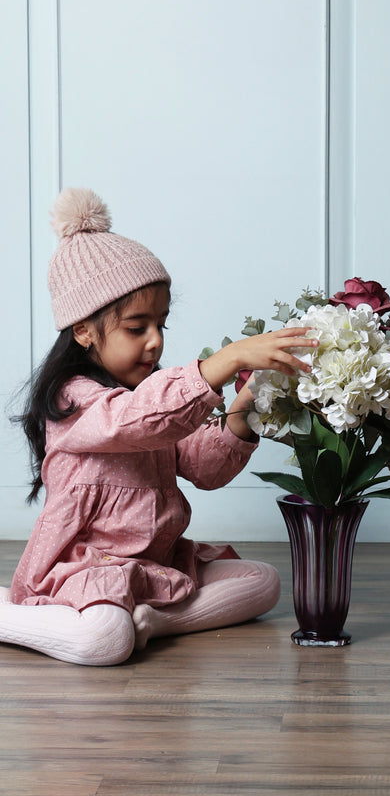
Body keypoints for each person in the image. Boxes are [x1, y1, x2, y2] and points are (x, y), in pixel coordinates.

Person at [0, 187, 318, 666]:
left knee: (262, 582)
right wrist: (225, 360)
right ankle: (18, 611)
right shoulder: (77, 400)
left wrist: (248, 405)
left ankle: (152, 621)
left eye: (161, 324)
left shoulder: (152, 398)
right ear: (84, 330)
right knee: (102, 640)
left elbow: (204, 468)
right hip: (87, 569)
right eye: (136, 327)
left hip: (153, 563)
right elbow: (136, 422)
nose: (154, 342)